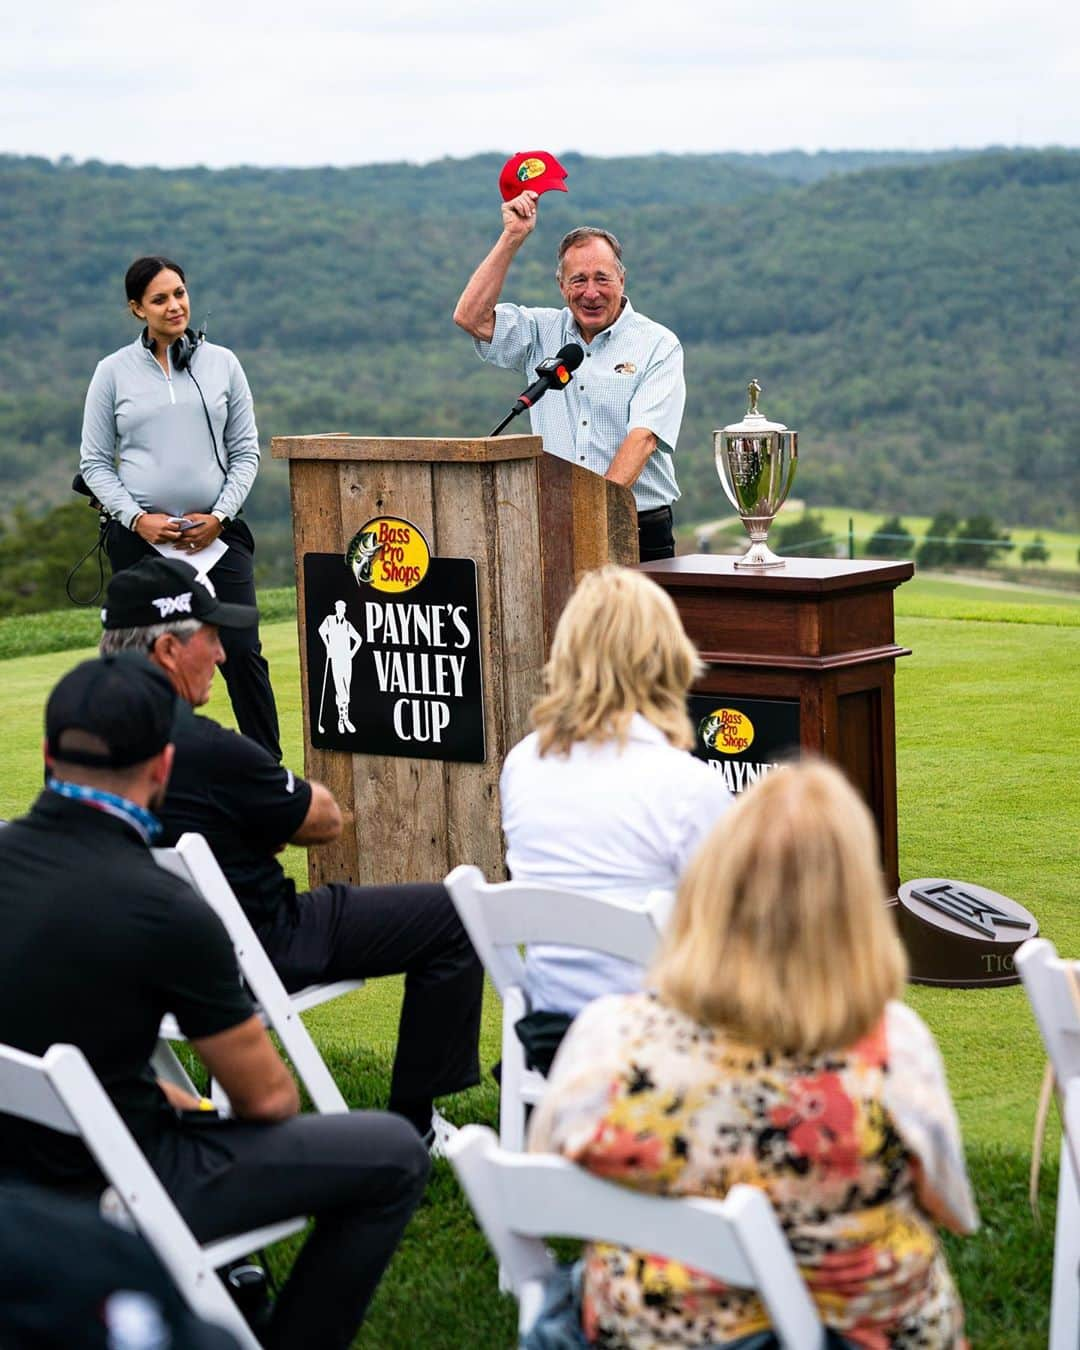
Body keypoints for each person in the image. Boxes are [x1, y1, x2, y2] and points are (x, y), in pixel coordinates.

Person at [0, 654, 429, 1350]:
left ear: (49, 755)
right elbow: (268, 1102)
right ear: (163, 769)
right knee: (392, 1152)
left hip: (22, 1161)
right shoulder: (167, 908)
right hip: (116, 1173)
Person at [528, 761, 978, 1349]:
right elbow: (954, 1210)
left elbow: (545, 1175)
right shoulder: (892, 1047)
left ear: (707, 889)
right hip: (858, 1331)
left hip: (649, 1331)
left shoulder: (610, 1035)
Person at [99, 556, 483, 1145]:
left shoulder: (80, 736)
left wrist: (245, 824)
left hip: (142, 962)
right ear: (169, 651)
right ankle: (415, 1128)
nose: (223, 655)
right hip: (257, 947)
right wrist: (266, 819)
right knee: (454, 915)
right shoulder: (207, 749)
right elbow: (322, 820)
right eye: (210, 638)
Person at [500, 565, 731, 1068]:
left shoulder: (522, 763)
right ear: (664, 657)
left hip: (553, 1030)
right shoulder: (689, 787)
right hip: (666, 1040)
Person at [80, 255, 281, 761]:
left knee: (241, 653)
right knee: (146, 661)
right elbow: (96, 462)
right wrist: (137, 519)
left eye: (180, 293)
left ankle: (266, 769)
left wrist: (220, 516)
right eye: (160, 299)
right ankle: (147, 764)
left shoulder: (223, 363)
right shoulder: (112, 373)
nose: (175, 306)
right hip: (142, 542)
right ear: (136, 309)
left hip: (217, 538)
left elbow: (246, 451)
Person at [453, 194, 686, 561]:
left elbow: (642, 440)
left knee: (633, 623)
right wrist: (512, 236)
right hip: (554, 524)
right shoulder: (540, 331)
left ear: (622, 280)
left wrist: (592, 516)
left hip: (636, 526)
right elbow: (471, 318)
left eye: (602, 279)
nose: (590, 292)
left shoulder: (657, 344)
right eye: (578, 280)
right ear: (561, 286)